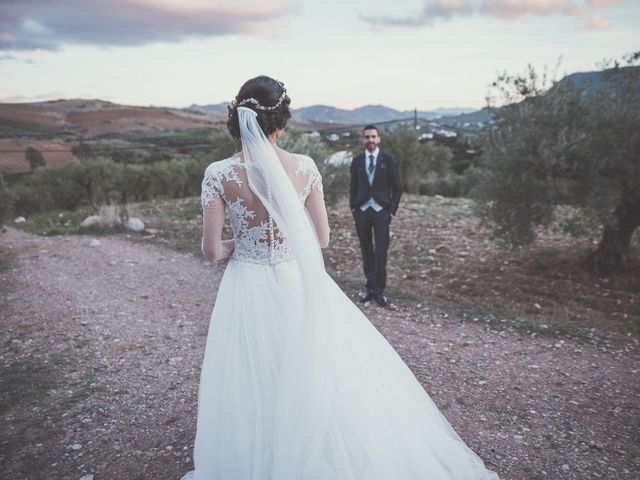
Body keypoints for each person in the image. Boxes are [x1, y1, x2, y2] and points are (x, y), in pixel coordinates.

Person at [181, 76, 499, 480]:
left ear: (236, 119)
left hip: (247, 283)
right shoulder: (305, 167)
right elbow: (322, 238)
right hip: (297, 280)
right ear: (282, 122)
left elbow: (211, 251)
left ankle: (261, 455)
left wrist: (238, 246)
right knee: (317, 367)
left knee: (253, 375)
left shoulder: (217, 174)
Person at [350, 126, 401, 307]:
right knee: (366, 252)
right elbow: (353, 187)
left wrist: (391, 211)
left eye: (373, 137)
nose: (370, 140)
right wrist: (353, 208)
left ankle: (379, 291)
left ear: (378, 139)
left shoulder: (388, 160)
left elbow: (397, 188)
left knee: (380, 252)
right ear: (362, 140)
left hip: (382, 213)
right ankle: (370, 289)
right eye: (367, 137)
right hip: (362, 212)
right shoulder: (356, 161)